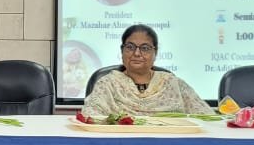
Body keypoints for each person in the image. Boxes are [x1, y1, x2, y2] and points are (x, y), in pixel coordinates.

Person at [82, 24, 212, 117]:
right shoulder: (108, 84)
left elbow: (205, 115)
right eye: (130, 47)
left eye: (145, 48)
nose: (137, 53)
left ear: (155, 53)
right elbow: (90, 114)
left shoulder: (172, 83)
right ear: (122, 51)